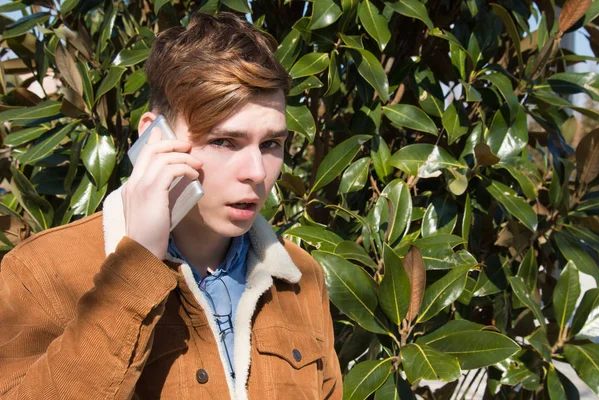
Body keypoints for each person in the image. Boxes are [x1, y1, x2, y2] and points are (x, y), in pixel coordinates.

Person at [0, 12, 342, 399]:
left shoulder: (300, 278)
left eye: (270, 145)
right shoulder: (43, 272)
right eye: (224, 142)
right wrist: (137, 265)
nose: (255, 171)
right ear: (154, 138)